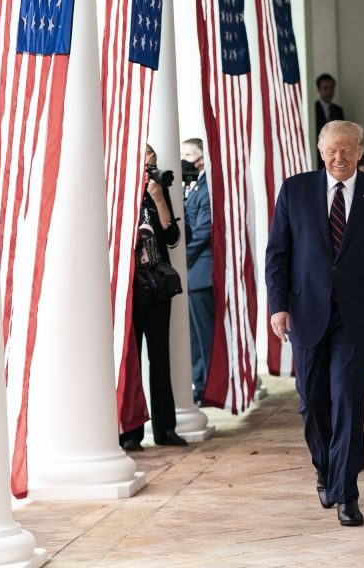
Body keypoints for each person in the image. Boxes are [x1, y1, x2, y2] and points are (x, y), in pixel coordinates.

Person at [266, 120, 364, 527]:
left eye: (347, 150)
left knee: (347, 400)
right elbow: (278, 254)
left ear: (361, 151)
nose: (339, 158)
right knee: (312, 402)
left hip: (358, 316)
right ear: (320, 150)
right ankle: (326, 466)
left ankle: (347, 492)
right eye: (331, 150)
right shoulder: (295, 190)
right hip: (306, 312)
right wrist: (278, 306)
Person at [119, 147, 188, 451]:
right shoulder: (118, 190)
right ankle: (131, 431)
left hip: (158, 284)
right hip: (131, 287)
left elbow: (172, 236)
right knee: (131, 359)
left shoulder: (158, 192)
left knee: (160, 358)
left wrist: (159, 198)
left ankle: (166, 429)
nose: (152, 171)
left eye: (154, 166)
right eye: (148, 166)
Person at [181, 138, 214, 405]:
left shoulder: (207, 189)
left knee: (205, 336)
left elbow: (203, 229)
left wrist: (183, 257)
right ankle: (199, 383)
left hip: (201, 271)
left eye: (188, 154)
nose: (184, 159)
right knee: (193, 337)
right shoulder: (193, 186)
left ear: (201, 158)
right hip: (193, 273)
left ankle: (208, 386)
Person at [314, 74, 345, 169]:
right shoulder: (313, 109)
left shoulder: (338, 110)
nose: (329, 91)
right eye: (325, 88)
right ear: (319, 90)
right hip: (318, 155)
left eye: (331, 88)